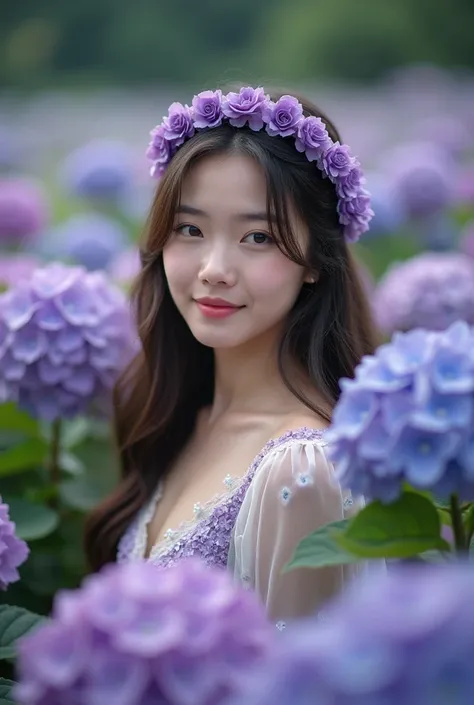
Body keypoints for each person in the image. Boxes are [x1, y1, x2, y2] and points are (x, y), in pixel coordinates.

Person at [84, 86, 377, 627]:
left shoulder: (302, 468)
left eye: (258, 236)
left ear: (315, 259)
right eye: (190, 229)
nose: (214, 268)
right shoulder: (180, 418)